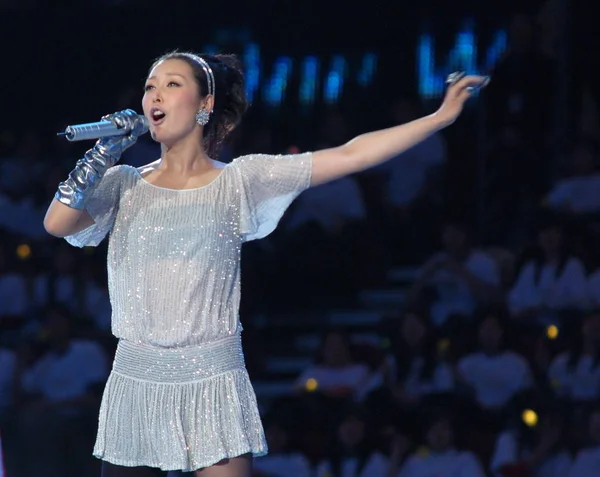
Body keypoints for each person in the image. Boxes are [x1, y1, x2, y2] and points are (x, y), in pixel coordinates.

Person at [43, 49, 488, 477]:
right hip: (136, 376)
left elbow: (350, 154)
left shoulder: (241, 180)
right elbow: (57, 223)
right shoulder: (123, 183)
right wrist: (101, 154)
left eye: (171, 85)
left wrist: (439, 118)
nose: (154, 96)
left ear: (205, 104)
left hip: (212, 375)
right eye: (149, 87)